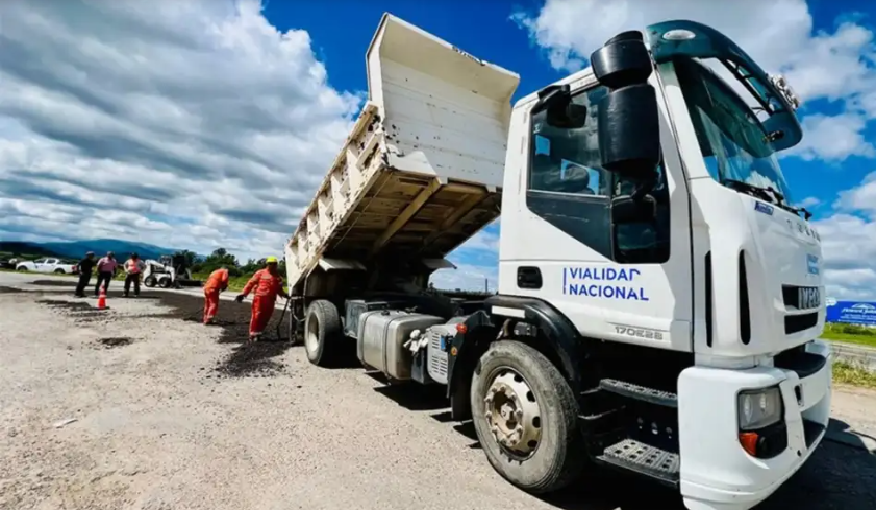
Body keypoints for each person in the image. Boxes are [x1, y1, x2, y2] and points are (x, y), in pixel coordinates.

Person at [235, 257, 289, 342]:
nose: (273, 265)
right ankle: (252, 334)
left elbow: (279, 289)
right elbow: (251, 283)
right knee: (257, 315)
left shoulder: (277, 276)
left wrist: (285, 295)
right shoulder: (260, 273)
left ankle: (259, 332)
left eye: (274, 264)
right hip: (259, 297)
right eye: (271, 264)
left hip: (271, 299)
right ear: (267, 264)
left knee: (266, 316)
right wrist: (244, 293)